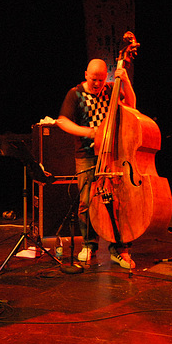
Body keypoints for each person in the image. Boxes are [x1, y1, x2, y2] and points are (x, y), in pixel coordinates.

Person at [56, 58, 138, 269]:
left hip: (112, 155)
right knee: (86, 201)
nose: (97, 84)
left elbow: (131, 105)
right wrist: (91, 132)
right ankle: (88, 245)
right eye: (94, 79)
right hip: (87, 154)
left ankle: (118, 248)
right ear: (86, 74)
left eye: (101, 80)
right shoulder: (74, 94)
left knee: (117, 202)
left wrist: (125, 80)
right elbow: (62, 121)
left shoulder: (110, 89)